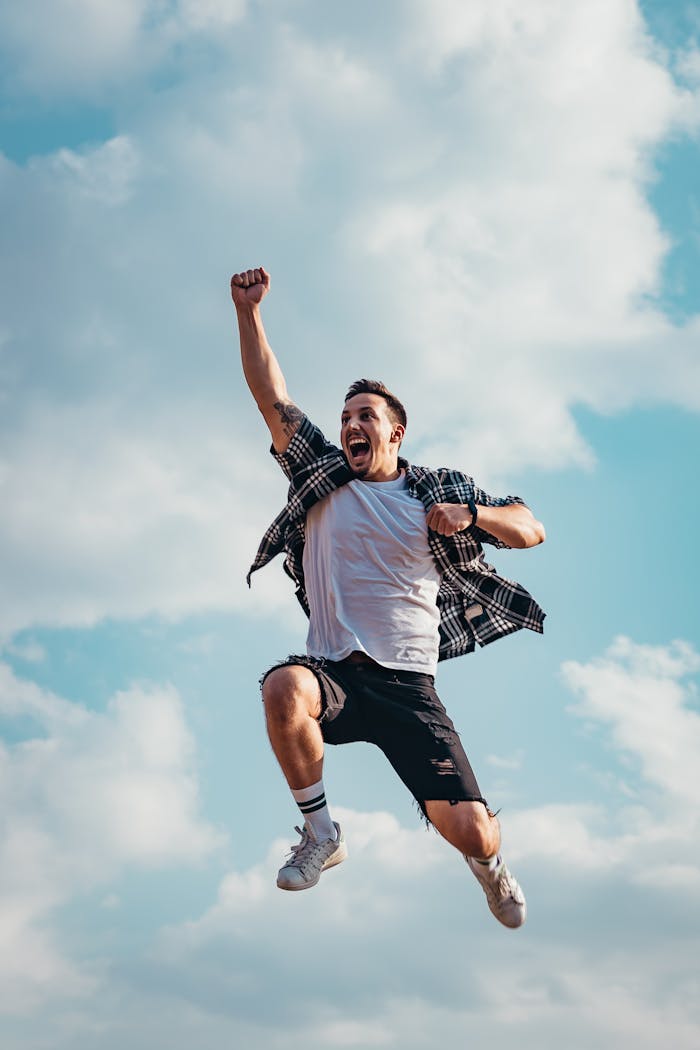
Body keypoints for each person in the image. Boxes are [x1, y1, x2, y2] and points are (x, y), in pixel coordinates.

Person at [231, 265, 546, 928]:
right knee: (283, 689)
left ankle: (489, 867)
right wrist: (249, 312)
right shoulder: (319, 470)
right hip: (335, 671)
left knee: (475, 831)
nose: (350, 424)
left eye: (365, 416)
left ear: (394, 433)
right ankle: (321, 834)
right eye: (345, 416)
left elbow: (529, 526)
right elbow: (271, 397)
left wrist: (473, 515)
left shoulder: (433, 488)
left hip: (408, 687)